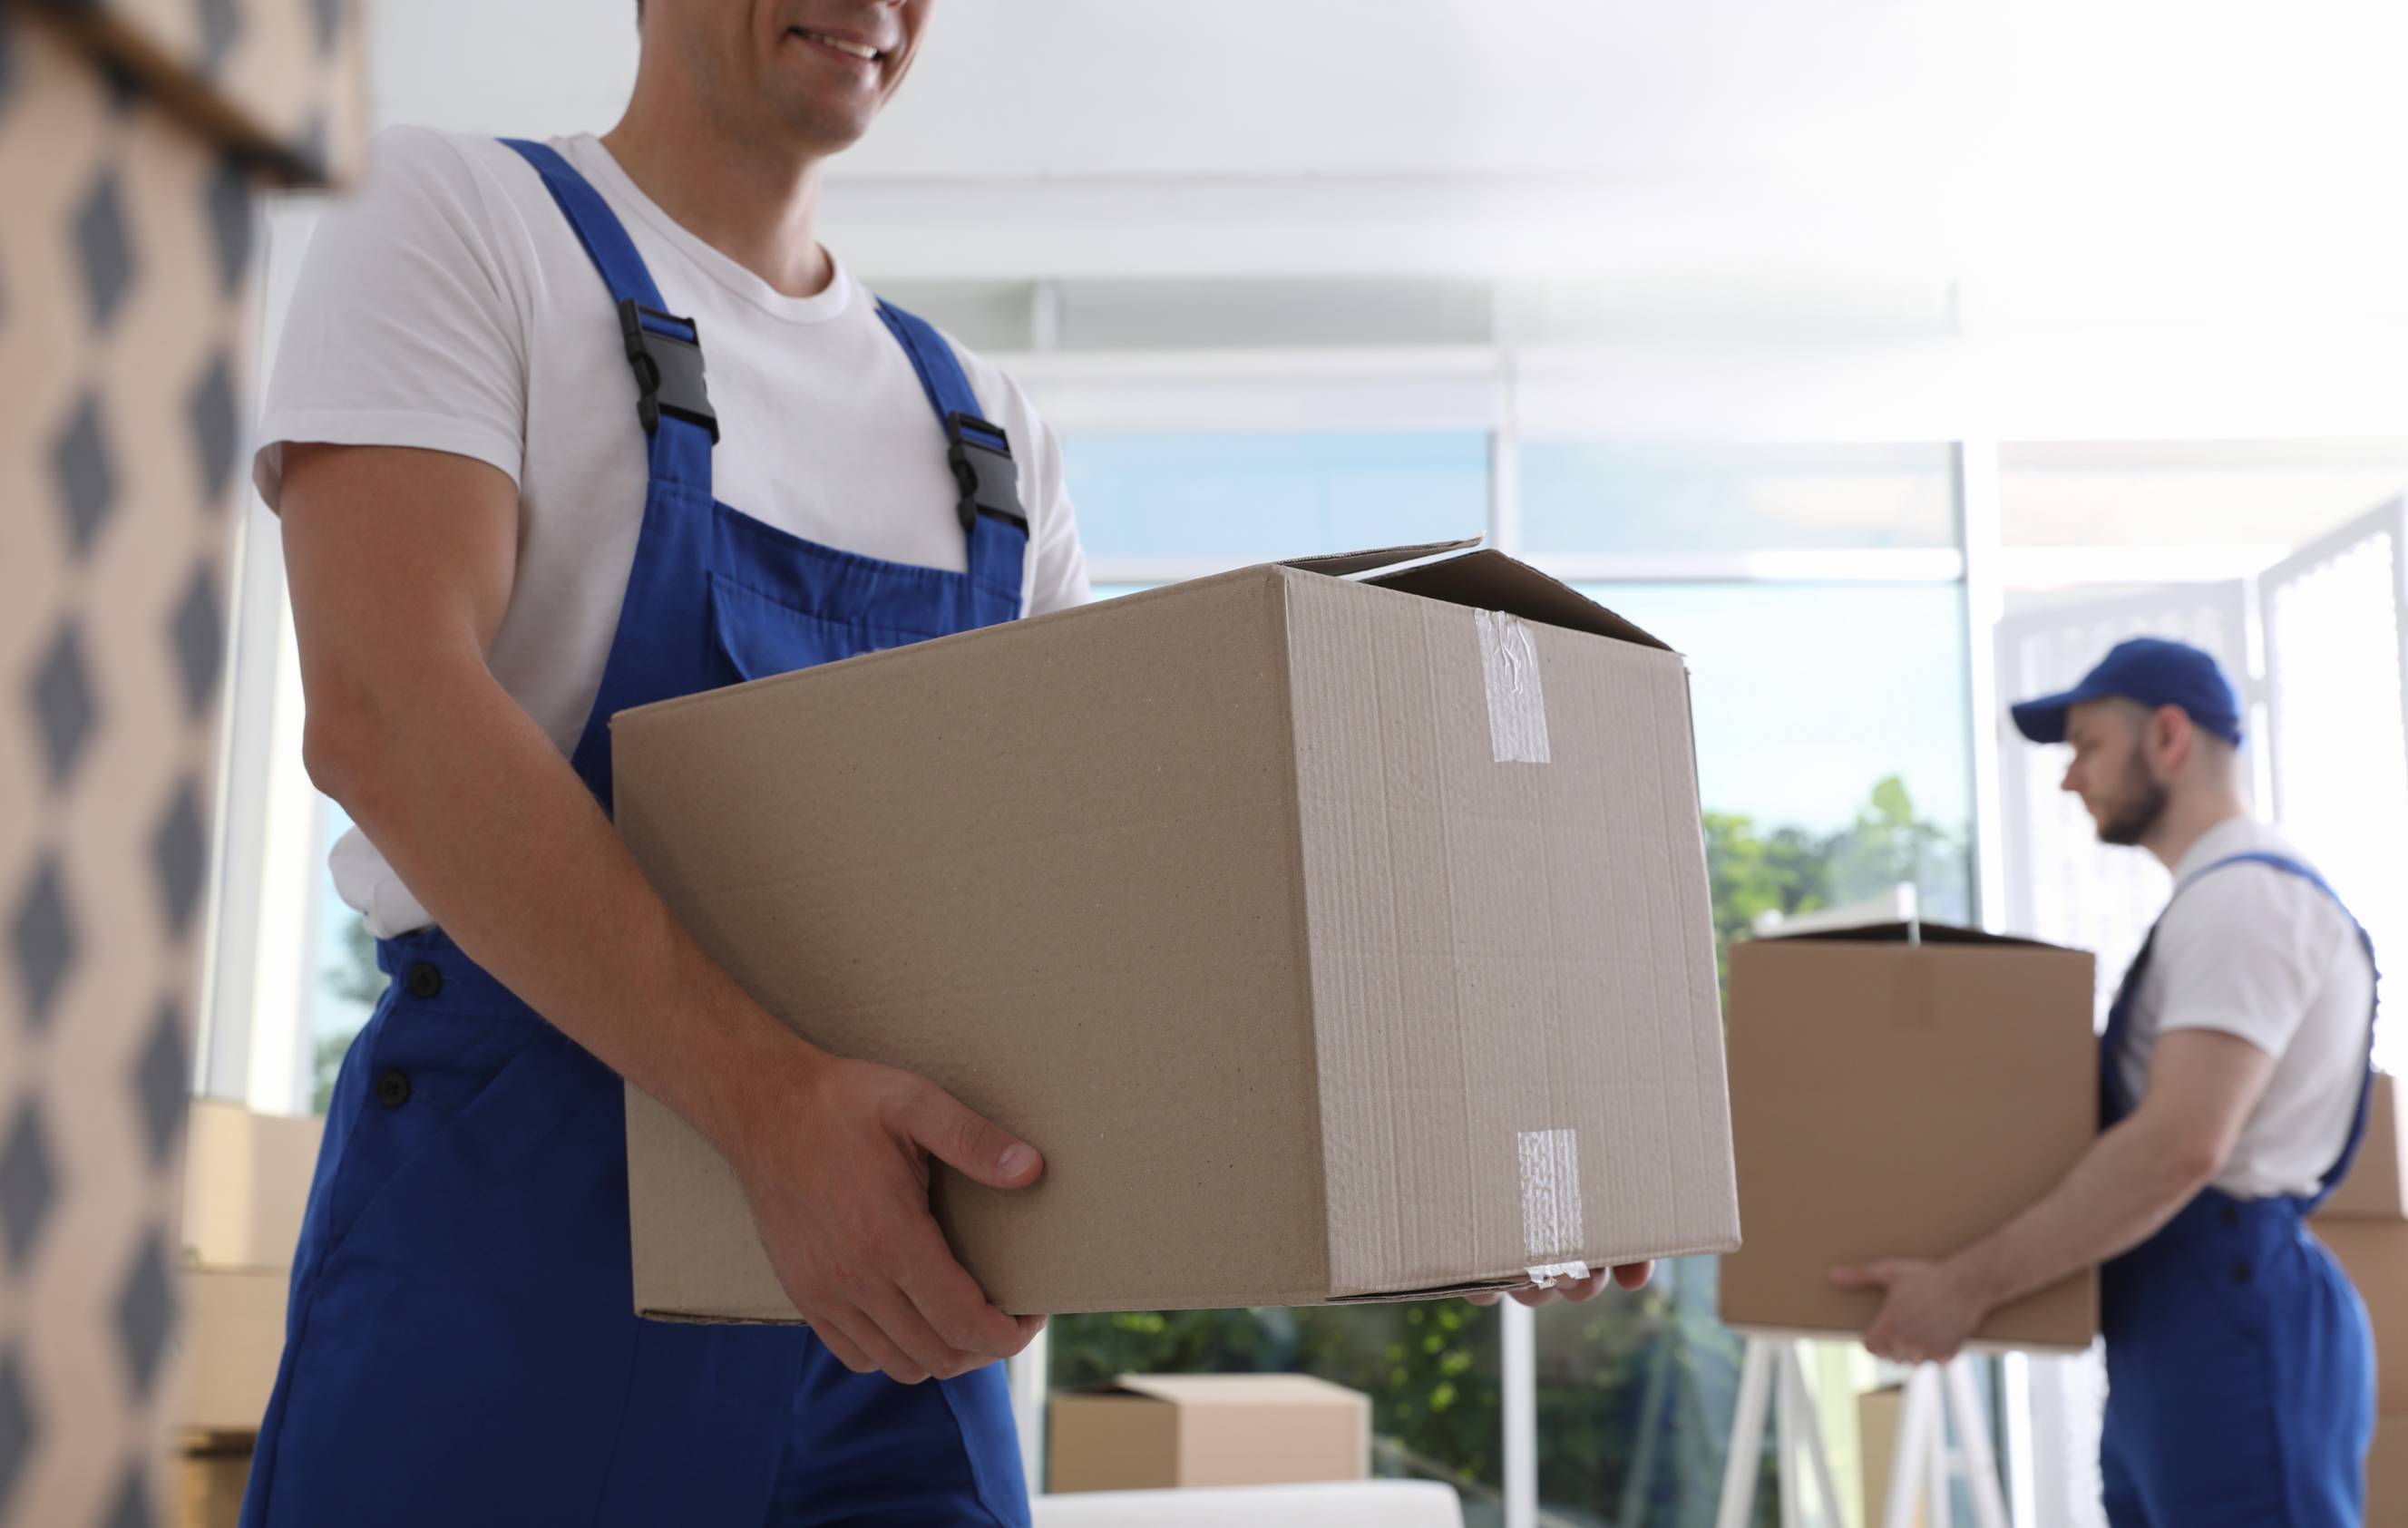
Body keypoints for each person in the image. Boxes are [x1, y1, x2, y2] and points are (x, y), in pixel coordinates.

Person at [242, 5, 1640, 1522]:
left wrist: (1432, 1160)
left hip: (905, 1311)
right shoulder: (463, 220)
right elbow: (387, 711)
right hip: (522, 1258)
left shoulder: (984, 427)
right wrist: (770, 1111)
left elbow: (1103, 913)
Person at [1834, 637, 2379, 1527]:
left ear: (2168, 737)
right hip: (2182, 1321)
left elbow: (2178, 1145)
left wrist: (1967, 1283)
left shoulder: (2246, 904)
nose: (2069, 777)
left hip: (2231, 1311)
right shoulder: (2220, 900)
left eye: (2087, 744)